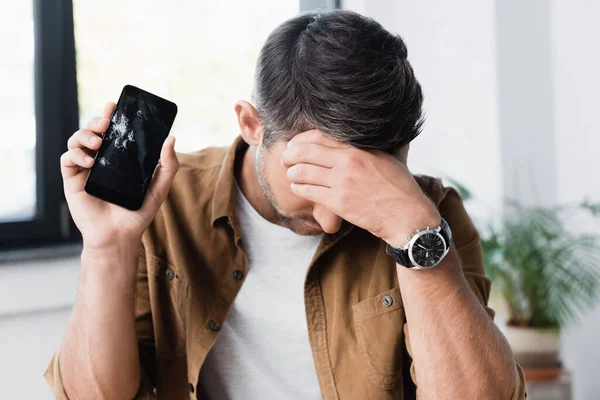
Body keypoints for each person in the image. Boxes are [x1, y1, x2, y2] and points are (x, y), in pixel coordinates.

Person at [45, 9, 526, 400]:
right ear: (252, 125)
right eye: (311, 176)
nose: (332, 218)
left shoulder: (429, 218)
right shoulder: (167, 204)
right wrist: (107, 249)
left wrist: (412, 232)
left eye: (359, 184)